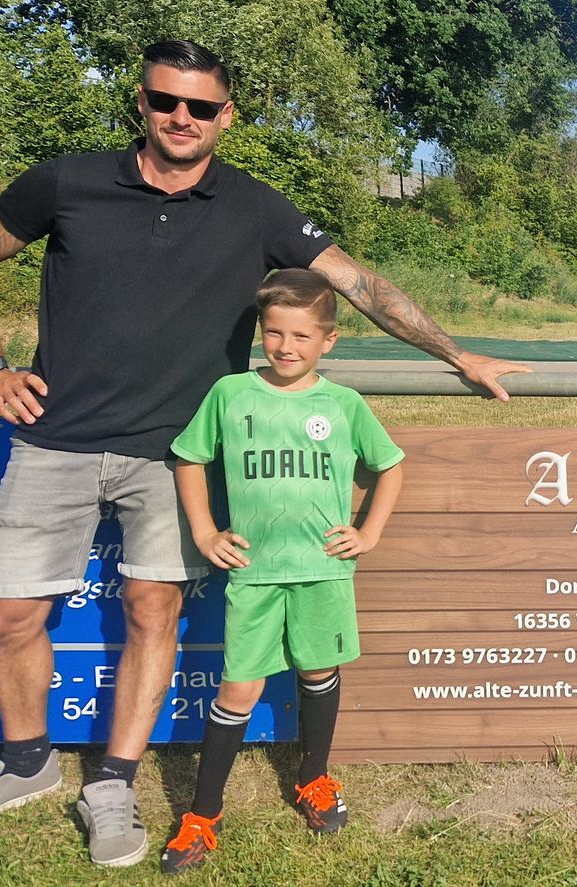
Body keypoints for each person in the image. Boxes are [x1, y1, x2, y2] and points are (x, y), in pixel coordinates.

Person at [0, 39, 524, 866]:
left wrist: (458, 353)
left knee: (153, 609)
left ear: (226, 115)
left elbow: (360, 286)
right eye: (166, 100)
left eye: (201, 106)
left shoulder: (258, 207)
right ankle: (24, 761)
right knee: (6, 613)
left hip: (177, 453)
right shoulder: (66, 182)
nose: (182, 117)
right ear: (141, 102)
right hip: (57, 435)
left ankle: (114, 783)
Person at [158, 270, 401, 874]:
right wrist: (205, 532)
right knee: (239, 687)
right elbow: (189, 458)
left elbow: (390, 466)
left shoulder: (343, 404)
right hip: (254, 573)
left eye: (301, 336)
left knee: (318, 670)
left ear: (329, 341)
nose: (285, 347)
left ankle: (313, 777)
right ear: (261, 332)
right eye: (274, 333)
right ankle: (203, 814)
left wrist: (368, 532)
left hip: (323, 571)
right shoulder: (231, 393)